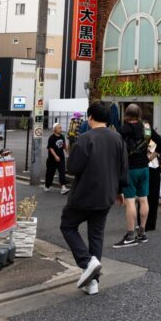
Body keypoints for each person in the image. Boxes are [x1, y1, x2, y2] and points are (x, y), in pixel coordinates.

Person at [60, 101, 128, 297]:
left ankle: (87, 262)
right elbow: (123, 168)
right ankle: (93, 283)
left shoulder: (85, 138)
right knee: (96, 234)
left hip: (84, 194)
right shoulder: (118, 139)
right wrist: (120, 190)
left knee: (68, 226)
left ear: (90, 117)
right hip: (107, 195)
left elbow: (73, 168)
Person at [113, 104, 151, 248]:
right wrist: (150, 157)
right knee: (143, 199)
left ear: (127, 114)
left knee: (130, 202)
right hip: (144, 168)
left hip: (130, 169)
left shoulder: (124, 129)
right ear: (139, 113)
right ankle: (142, 232)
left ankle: (130, 235)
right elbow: (160, 142)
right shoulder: (146, 127)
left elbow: (116, 148)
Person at [144, 128, 161, 232]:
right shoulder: (153, 138)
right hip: (155, 167)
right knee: (152, 197)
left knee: (145, 196)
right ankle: (150, 223)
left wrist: (149, 157)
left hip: (149, 167)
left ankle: (144, 223)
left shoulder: (144, 139)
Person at [44, 123, 70, 194]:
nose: (60, 129)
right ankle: (47, 185)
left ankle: (63, 187)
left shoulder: (62, 136)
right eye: (59, 128)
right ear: (54, 129)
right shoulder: (51, 138)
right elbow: (50, 148)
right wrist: (55, 156)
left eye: (61, 127)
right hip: (52, 159)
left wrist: (68, 154)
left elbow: (64, 146)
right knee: (50, 174)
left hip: (61, 158)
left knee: (62, 172)